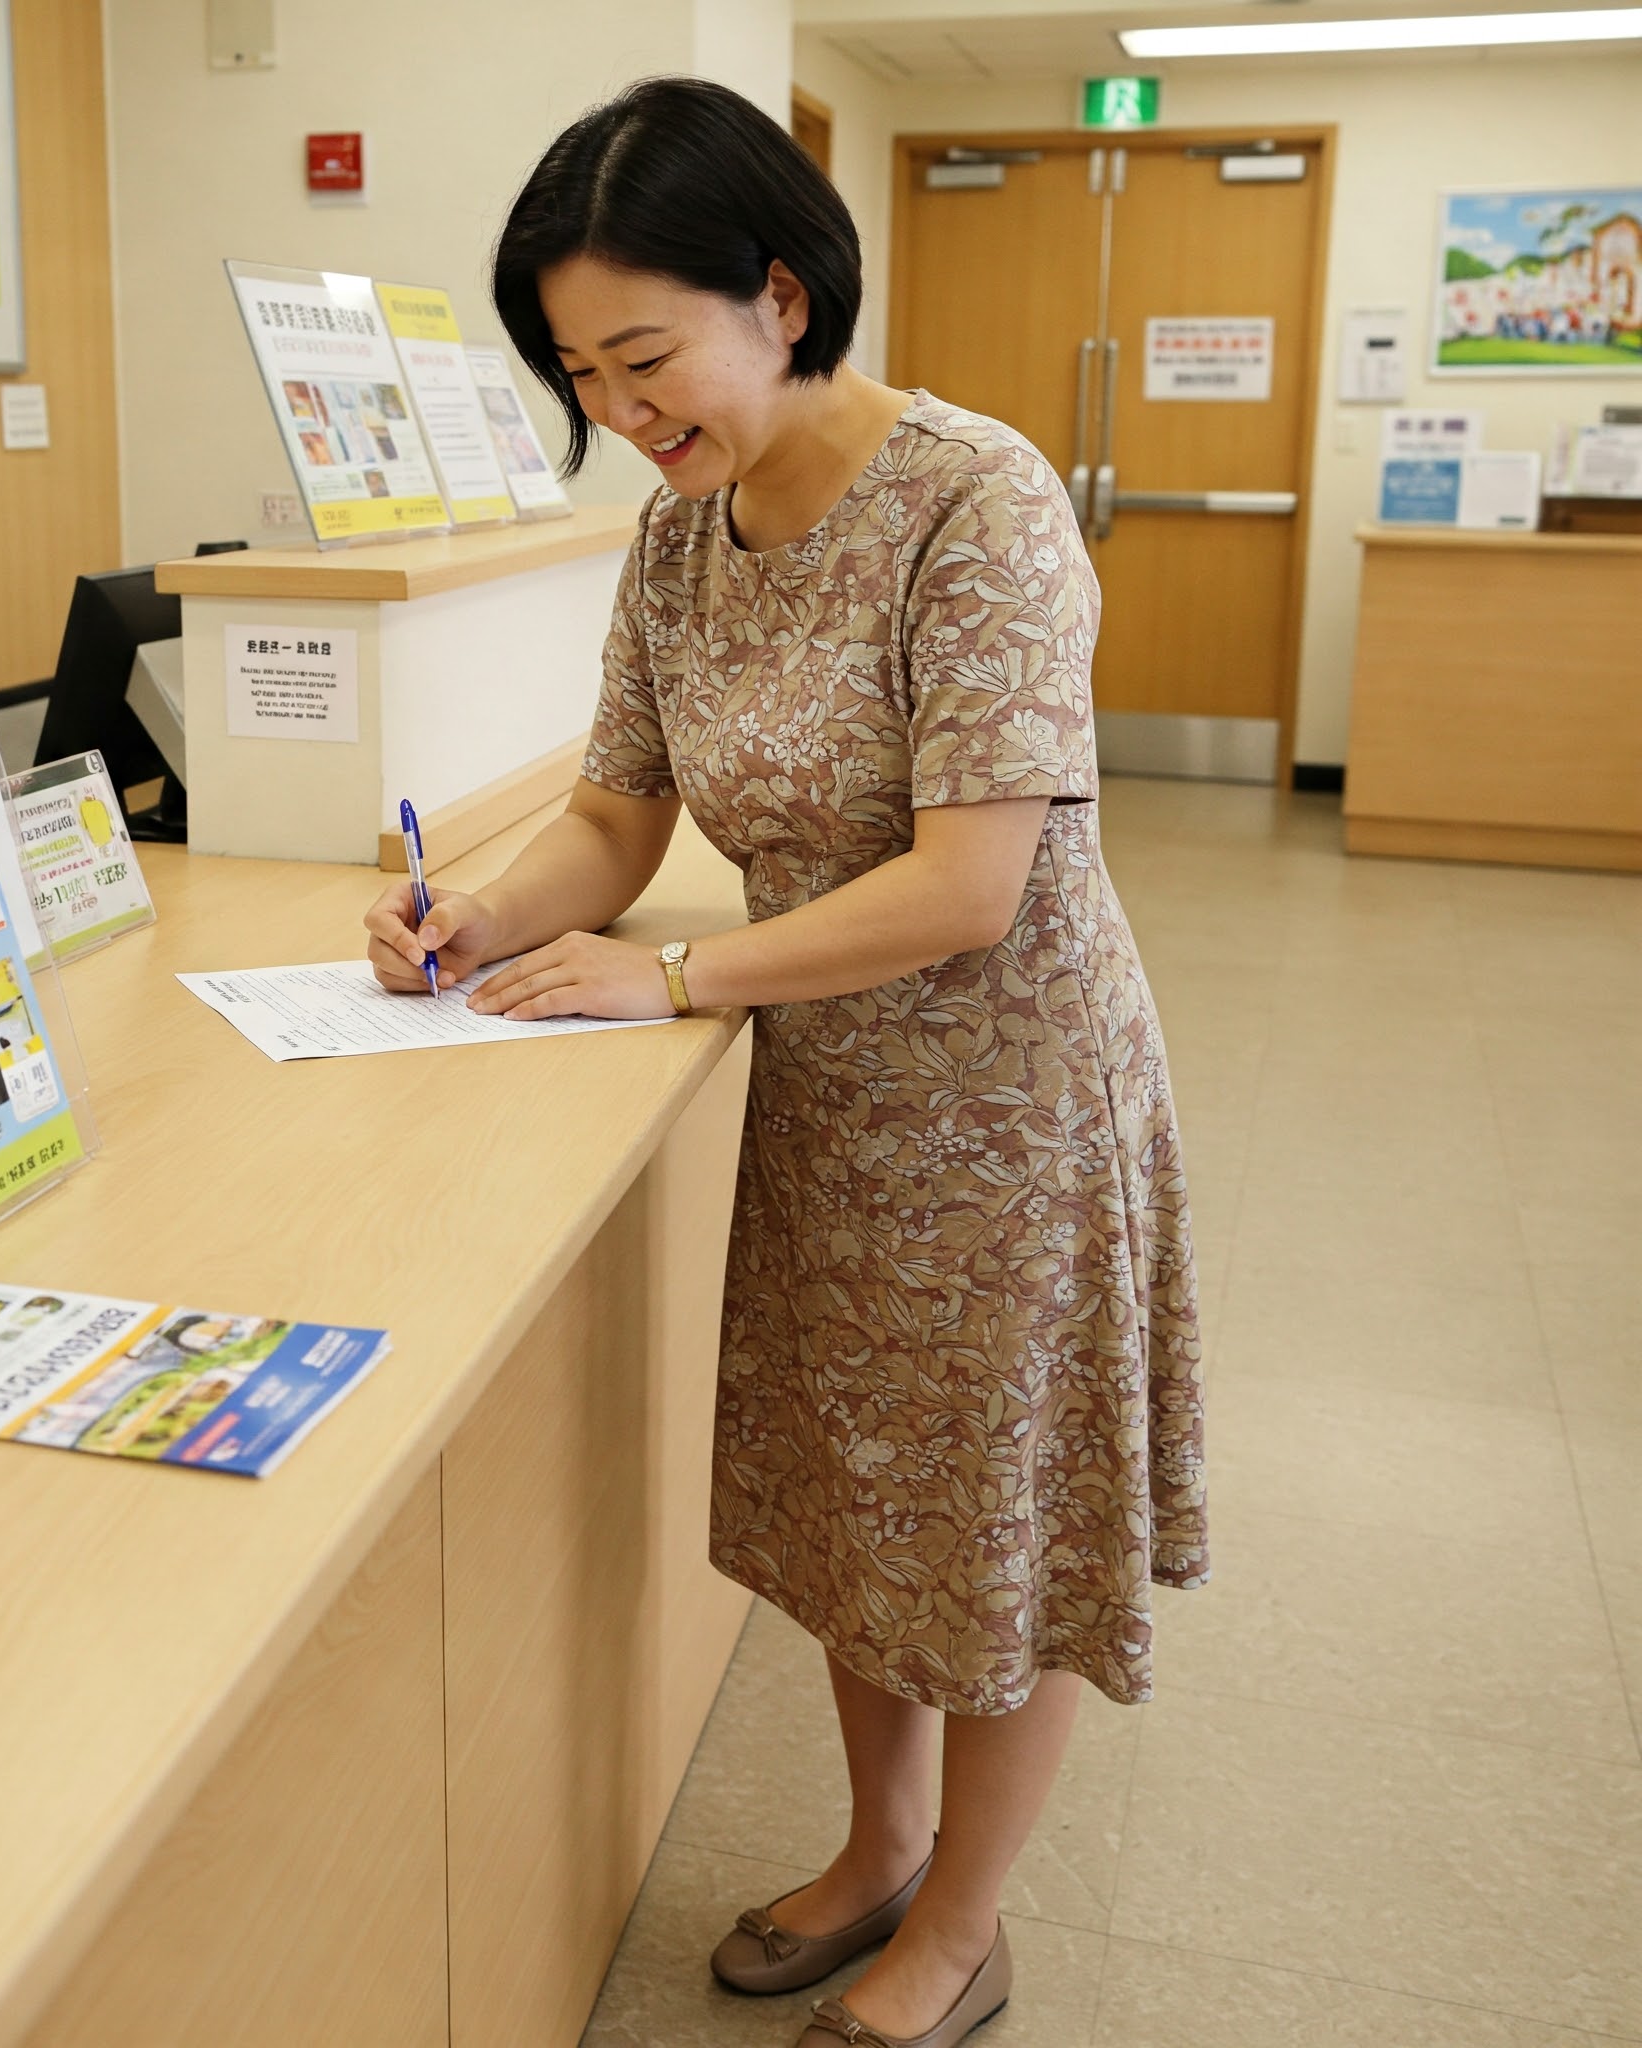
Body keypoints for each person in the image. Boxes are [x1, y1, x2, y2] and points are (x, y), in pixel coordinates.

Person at [363, 77, 1207, 2048]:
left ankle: (961, 1926)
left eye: (644, 357)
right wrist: (474, 913)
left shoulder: (976, 501)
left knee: (989, 1526)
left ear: (778, 292)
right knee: (855, 1499)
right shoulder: (679, 535)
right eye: (580, 374)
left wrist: (673, 981)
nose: (620, 410)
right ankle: (879, 1845)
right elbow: (615, 811)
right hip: (832, 1099)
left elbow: (968, 883)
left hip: (1012, 1110)